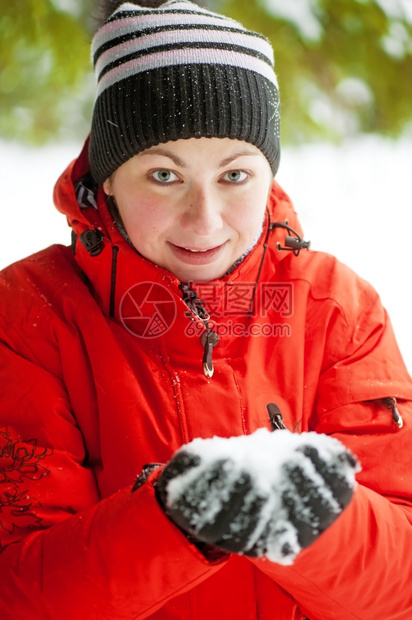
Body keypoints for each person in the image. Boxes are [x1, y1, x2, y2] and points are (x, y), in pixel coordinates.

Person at [0, 0, 411, 618]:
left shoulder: (337, 309)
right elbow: (19, 589)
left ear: (267, 174)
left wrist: (320, 523)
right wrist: (173, 520)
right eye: (164, 176)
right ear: (108, 177)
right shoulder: (30, 317)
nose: (205, 219)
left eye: (235, 176)